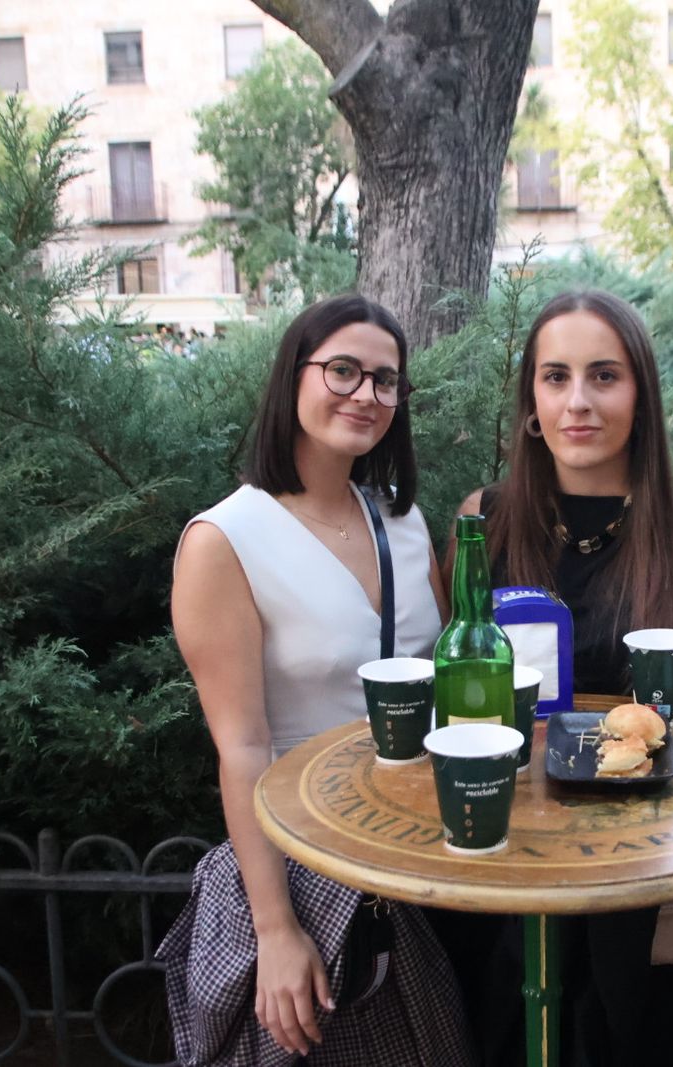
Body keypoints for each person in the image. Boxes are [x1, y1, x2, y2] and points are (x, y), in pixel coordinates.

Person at [438, 289, 673, 1067]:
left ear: (641, 396)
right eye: (556, 376)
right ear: (531, 404)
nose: (578, 400)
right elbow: (455, 683)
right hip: (504, 872)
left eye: (604, 376)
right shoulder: (484, 523)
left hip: (650, 879)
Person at [157, 295, 472, 1067]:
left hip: (421, 862)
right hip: (307, 871)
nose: (366, 394)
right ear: (292, 377)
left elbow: (443, 680)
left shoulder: (403, 522)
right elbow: (242, 746)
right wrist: (275, 928)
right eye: (343, 371)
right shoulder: (225, 538)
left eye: (386, 380)